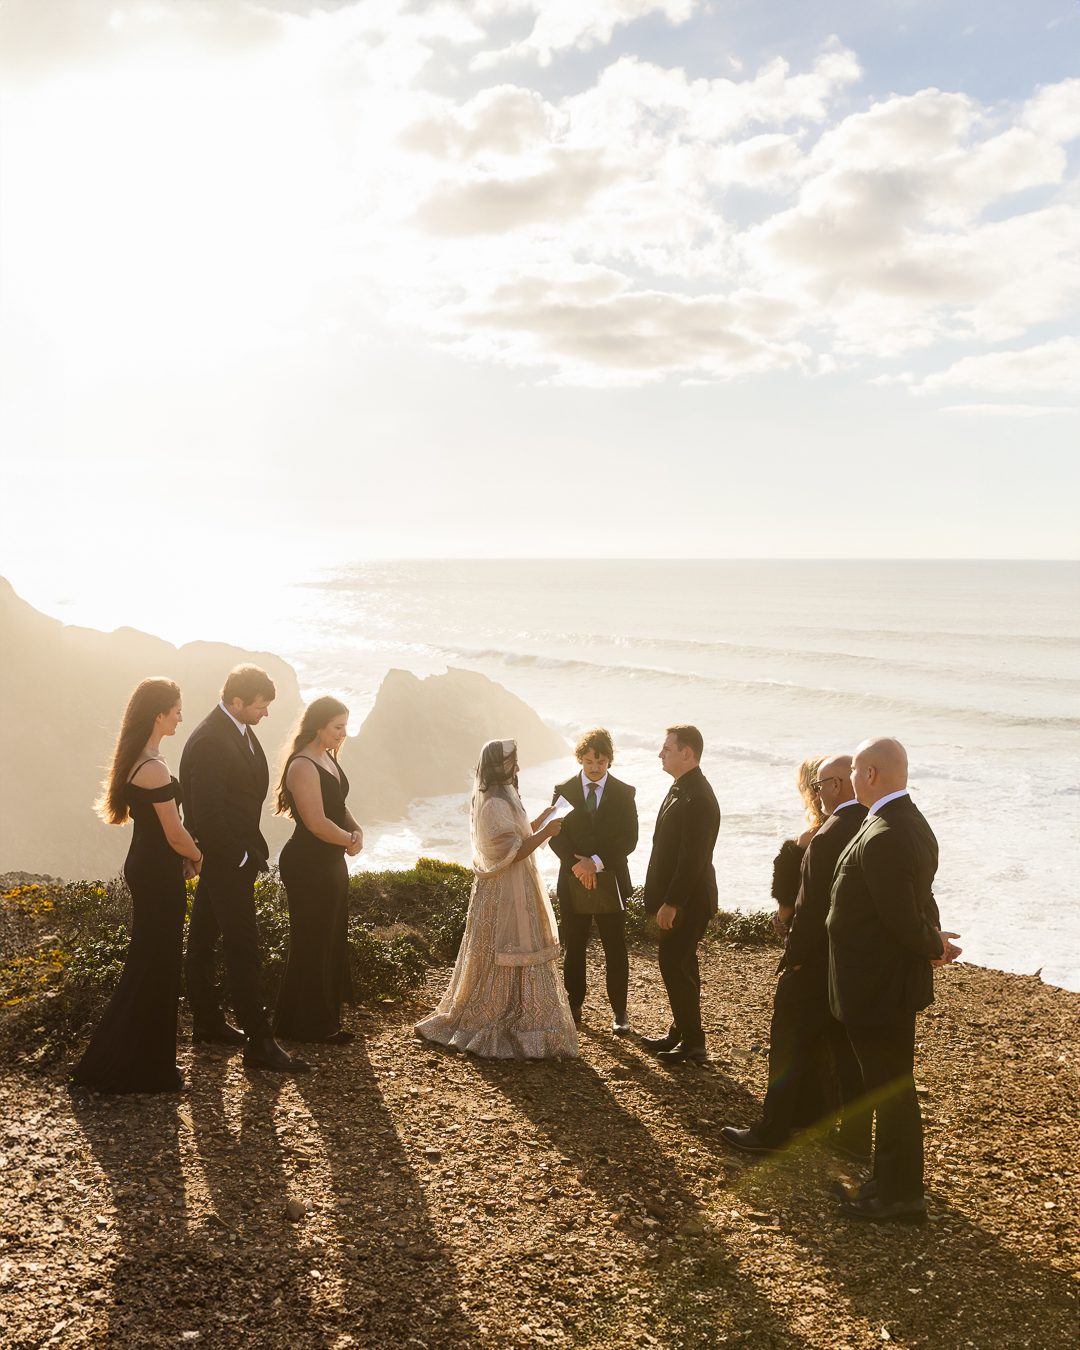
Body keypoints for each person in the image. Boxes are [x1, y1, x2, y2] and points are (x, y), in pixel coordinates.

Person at [827, 737, 961, 1224]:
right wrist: (932, 938)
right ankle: (890, 1179)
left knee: (891, 1087)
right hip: (888, 981)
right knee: (890, 1083)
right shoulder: (910, 820)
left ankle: (900, 1194)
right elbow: (915, 899)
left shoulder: (884, 832)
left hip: (877, 985)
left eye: (857, 771)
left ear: (871, 775)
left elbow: (900, 916)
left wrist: (931, 945)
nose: (853, 779)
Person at [721, 754, 869, 1155]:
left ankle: (772, 1131)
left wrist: (795, 959)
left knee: (787, 1045)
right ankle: (854, 1139)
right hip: (852, 964)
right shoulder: (872, 826)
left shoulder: (827, 835)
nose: (818, 794)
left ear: (837, 785)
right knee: (845, 1050)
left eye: (821, 786)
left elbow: (811, 907)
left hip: (815, 960)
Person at [72, 678, 203, 1093]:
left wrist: (182, 854)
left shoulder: (142, 759)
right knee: (158, 965)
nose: (181, 717)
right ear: (158, 714)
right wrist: (198, 856)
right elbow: (174, 830)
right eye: (177, 710)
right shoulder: (153, 767)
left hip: (148, 865)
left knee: (152, 963)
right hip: (157, 869)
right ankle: (148, 1069)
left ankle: (141, 1062)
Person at [415, 739, 579, 1059]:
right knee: (503, 948)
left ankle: (529, 1017)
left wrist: (541, 820)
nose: (516, 768)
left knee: (522, 946)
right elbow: (511, 853)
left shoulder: (507, 796)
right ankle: (502, 1016)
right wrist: (546, 834)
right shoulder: (492, 803)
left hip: (518, 886)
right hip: (504, 891)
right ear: (498, 766)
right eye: (511, 763)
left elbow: (516, 837)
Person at [181, 665, 309, 1074]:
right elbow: (205, 811)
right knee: (243, 948)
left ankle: (207, 1022)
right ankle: (259, 1041)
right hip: (226, 862)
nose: (266, 714)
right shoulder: (210, 740)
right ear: (236, 701)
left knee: (201, 940)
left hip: (234, 857)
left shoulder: (236, 730)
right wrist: (236, 856)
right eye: (261, 706)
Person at [274, 696, 363, 1044]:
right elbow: (315, 822)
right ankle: (302, 1025)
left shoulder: (327, 756)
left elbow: (338, 804)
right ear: (318, 727)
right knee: (311, 940)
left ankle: (323, 1021)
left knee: (329, 937)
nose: (344, 734)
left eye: (345, 726)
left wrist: (357, 831)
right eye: (337, 727)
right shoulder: (301, 765)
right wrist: (348, 839)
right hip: (307, 864)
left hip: (330, 862)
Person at [639, 725, 721, 1064]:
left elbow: (692, 858)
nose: (661, 754)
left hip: (689, 901)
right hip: (679, 897)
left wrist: (672, 902)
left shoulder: (698, 797)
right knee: (678, 965)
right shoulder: (681, 788)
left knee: (676, 964)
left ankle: (693, 1044)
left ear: (687, 753)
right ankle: (683, 1032)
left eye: (667, 749)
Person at [549, 728, 638, 1034]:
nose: (595, 768)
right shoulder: (564, 790)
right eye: (589, 761)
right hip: (572, 877)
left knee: (615, 946)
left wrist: (595, 863)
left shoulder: (625, 793)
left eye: (600, 762)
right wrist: (579, 866)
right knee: (575, 944)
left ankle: (620, 1012)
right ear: (581, 759)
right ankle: (574, 1005)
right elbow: (554, 835)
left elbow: (630, 839)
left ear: (609, 761)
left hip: (610, 877)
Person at [770, 756, 826, 943]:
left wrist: (781, 921)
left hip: (811, 928)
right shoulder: (857, 825)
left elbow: (790, 895)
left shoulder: (810, 838)